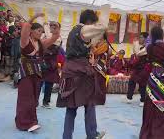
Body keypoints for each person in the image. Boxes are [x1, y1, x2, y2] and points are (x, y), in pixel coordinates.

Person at [56, 9, 107, 139]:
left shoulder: (75, 30)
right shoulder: (84, 29)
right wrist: (105, 12)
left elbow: (90, 43)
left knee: (71, 107)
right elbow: (103, 27)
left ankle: (67, 137)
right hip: (81, 71)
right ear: (89, 22)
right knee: (89, 103)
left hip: (69, 70)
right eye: (93, 22)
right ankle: (92, 134)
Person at [15, 13, 60, 132]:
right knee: (26, 97)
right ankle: (24, 123)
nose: (40, 33)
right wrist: (34, 17)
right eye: (38, 31)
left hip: (37, 73)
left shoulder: (41, 43)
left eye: (41, 31)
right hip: (25, 73)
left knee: (34, 98)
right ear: (31, 31)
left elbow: (54, 38)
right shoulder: (25, 42)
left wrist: (56, 30)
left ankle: (32, 121)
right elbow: (25, 29)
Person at [139, 26, 164, 139]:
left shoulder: (150, 47)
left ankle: (149, 134)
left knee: (151, 105)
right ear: (163, 35)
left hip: (154, 77)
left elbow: (147, 54)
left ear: (152, 36)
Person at [37, 22, 62, 108]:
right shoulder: (44, 36)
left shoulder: (58, 38)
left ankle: (46, 102)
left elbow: (54, 48)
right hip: (42, 61)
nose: (52, 28)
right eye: (51, 26)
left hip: (52, 63)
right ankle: (35, 101)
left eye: (55, 27)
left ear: (58, 29)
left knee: (49, 83)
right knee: (39, 82)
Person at [126, 32, 150, 106]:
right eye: (139, 37)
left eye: (141, 37)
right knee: (131, 81)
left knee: (142, 84)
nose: (140, 39)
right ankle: (129, 97)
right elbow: (135, 53)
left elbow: (139, 53)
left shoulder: (148, 47)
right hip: (136, 68)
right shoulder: (137, 45)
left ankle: (142, 100)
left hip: (144, 68)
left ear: (146, 39)